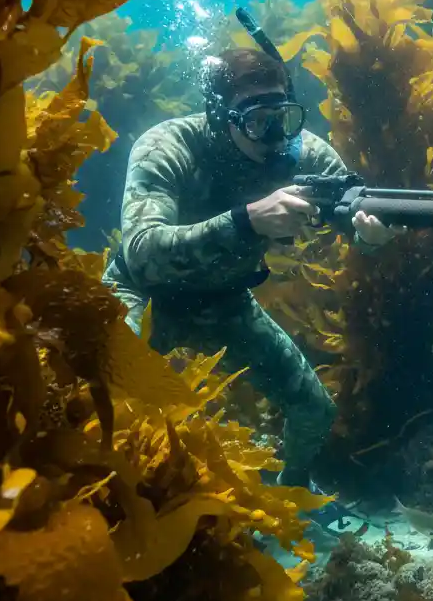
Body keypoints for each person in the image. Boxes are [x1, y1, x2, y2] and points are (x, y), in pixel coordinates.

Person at [101, 46, 397, 487]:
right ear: (223, 117)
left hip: (225, 301)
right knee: (106, 401)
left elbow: (353, 209)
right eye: (259, 120)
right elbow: (143, 253)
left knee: (314, 409)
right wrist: (246, 221)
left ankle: (293, 488)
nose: (276, 135)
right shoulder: (167, 147)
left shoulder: (304, 156)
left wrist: (371, 237)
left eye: (285, 116)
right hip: (142, 293)